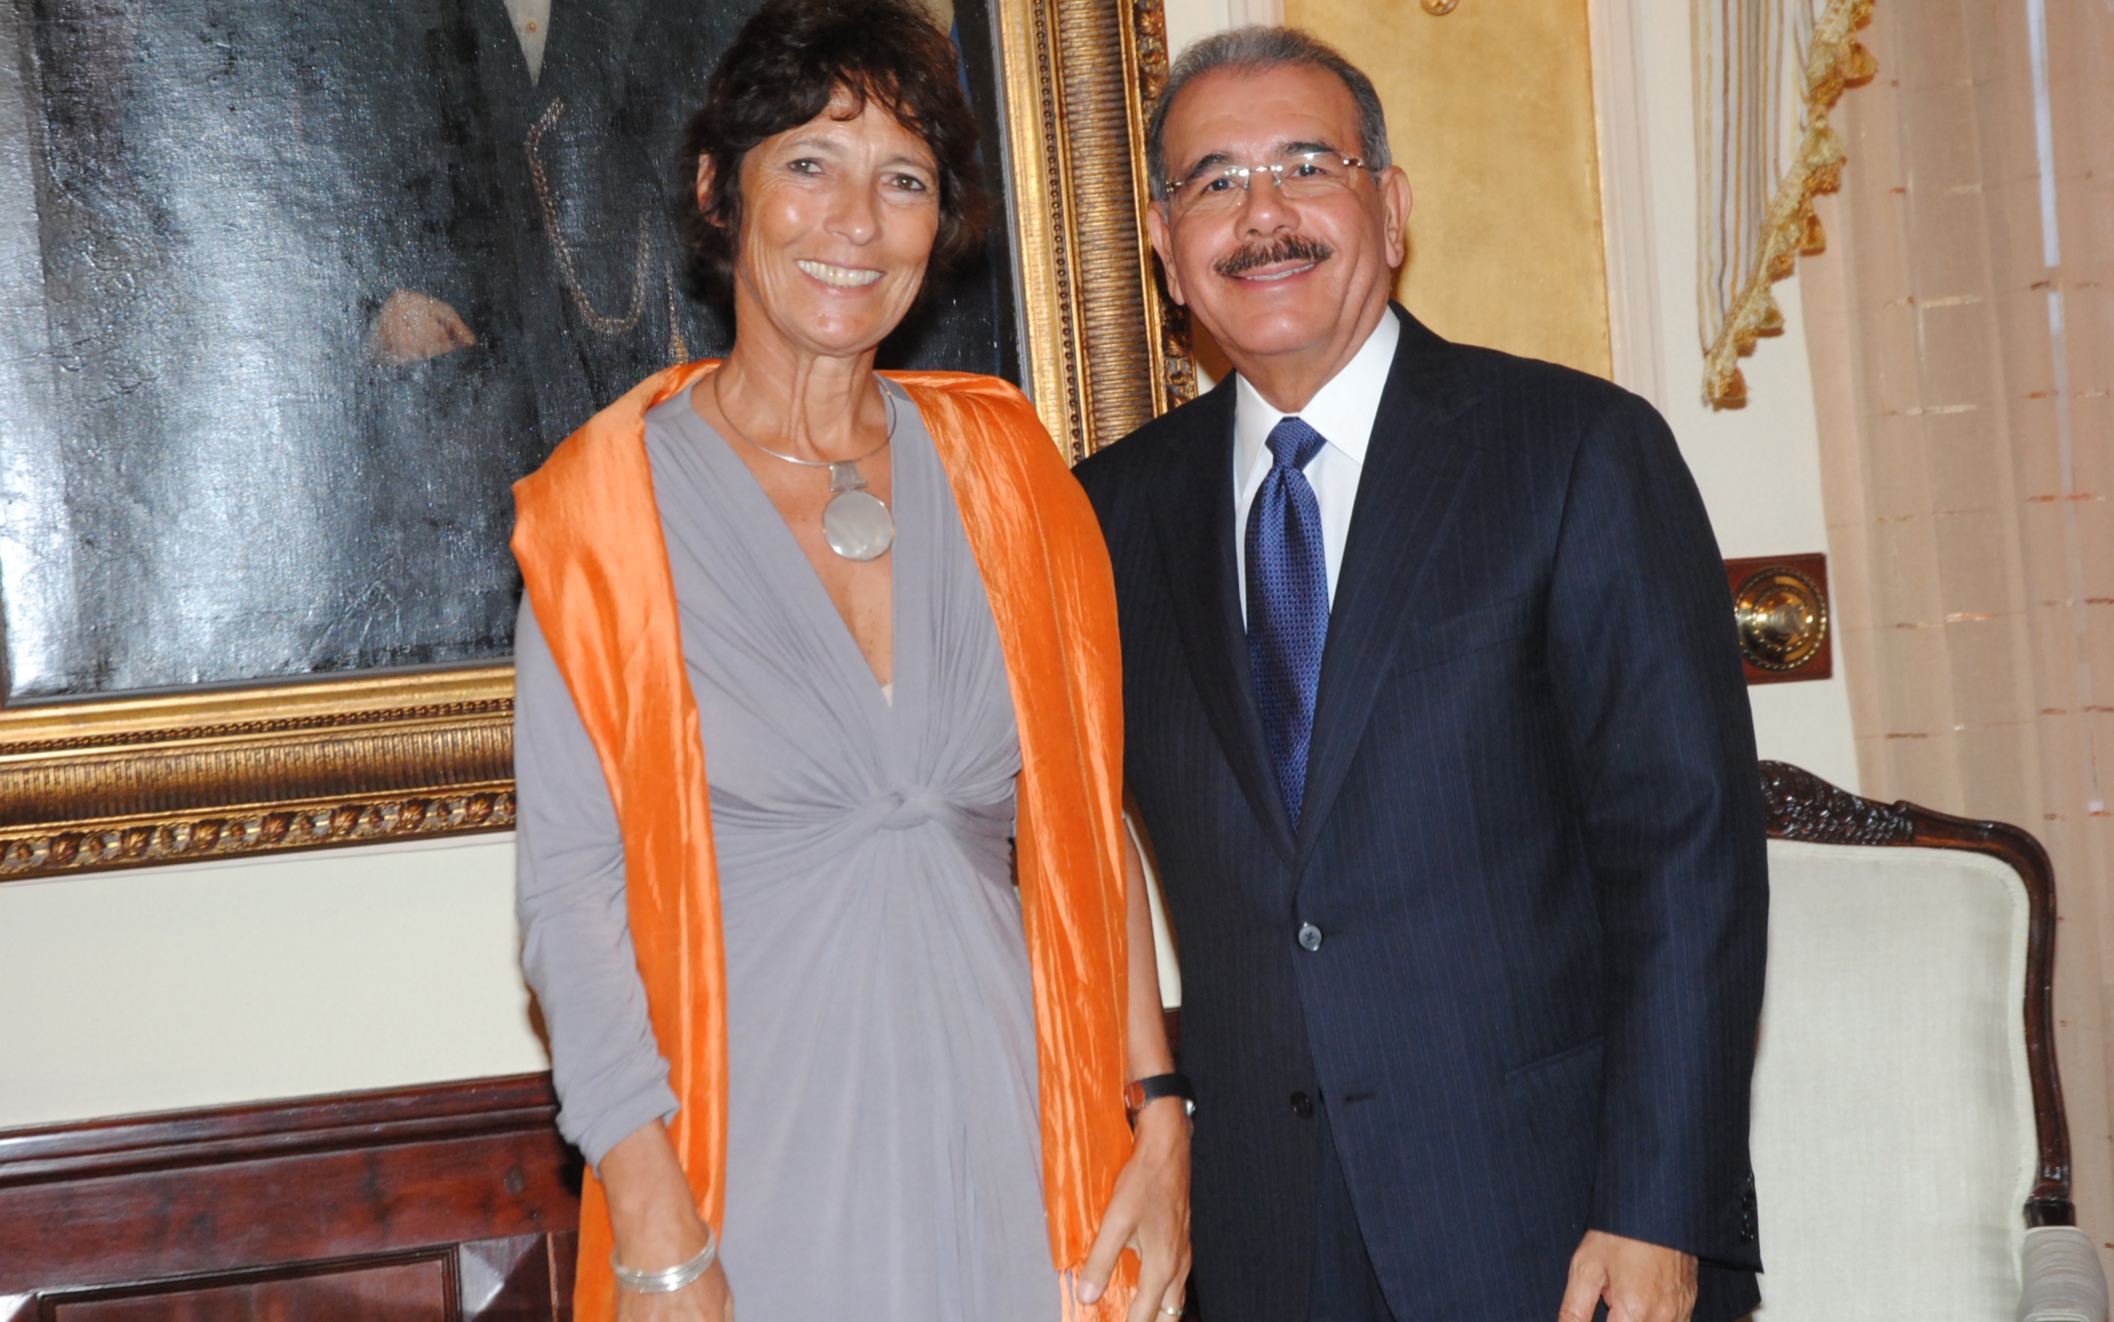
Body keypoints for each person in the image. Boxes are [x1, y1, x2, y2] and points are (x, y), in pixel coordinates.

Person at [1074, 27, 1768, 1322]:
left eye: (1306, 165)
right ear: (1164, 246)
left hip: (1559, 1227)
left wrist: (1657, 1208)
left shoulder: (1572, 452)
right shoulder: (1101, 519)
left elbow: (1688, 857)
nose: (1262, 215)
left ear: (1389, 210)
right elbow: (1067, 842)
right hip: (1262, 1242)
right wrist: (1151, 1102)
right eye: (1214, 182)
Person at [509, 2, 1189, 1319]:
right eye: (810, 163)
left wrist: (1157, 1111)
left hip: (1022, 1157)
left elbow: (1083, 827)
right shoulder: (605, 515)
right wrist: (657, 1230)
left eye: (904, 180)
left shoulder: (1006, 471)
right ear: (720, 191)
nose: (856, 223)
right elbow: (569, 907)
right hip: (748, 1180)